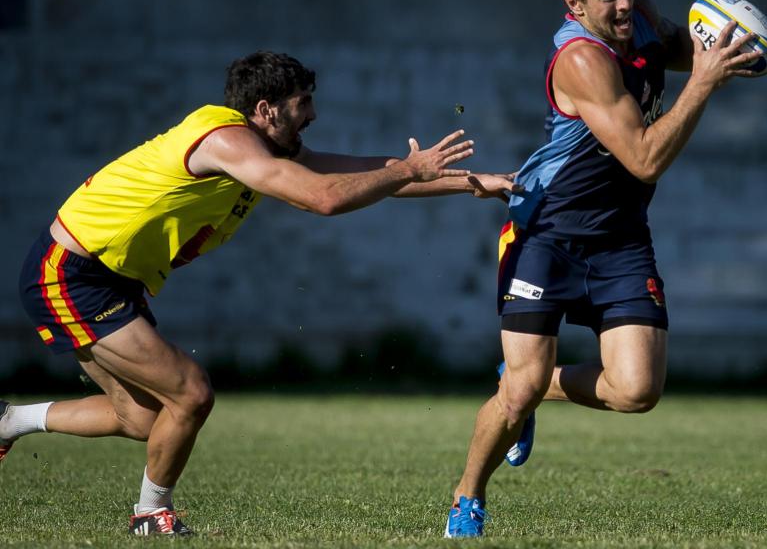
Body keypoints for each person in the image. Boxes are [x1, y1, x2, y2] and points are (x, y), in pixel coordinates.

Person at [0, 51, 515, 536]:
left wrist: (474, 183)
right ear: (266, 109)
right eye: (302, 102)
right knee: (190, 392)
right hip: (69, 273)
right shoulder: (225, 142)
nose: (312, 114)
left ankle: (9, 421)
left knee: (143, 419)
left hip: (108, 278)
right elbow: (323, 199)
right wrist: (407, 167)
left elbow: (364, 175)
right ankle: (149, 515)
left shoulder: (265, 145)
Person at [444, 0, 762, 537]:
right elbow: (643, 157)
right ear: (574, 6)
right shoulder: (582, 60)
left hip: (620, 237)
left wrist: (726, 47)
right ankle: (468, 495)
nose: (623, 5)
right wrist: (702, 83)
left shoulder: (635, 15)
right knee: (518, 395)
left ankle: (534, 383)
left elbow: (677, 48)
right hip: (547, 234)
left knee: (638, 390)